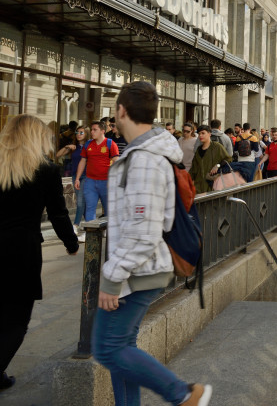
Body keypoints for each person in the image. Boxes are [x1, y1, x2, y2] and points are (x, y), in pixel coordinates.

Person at [91, 82, 212, 406]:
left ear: (121, 111)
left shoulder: (144, 159)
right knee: (122, 349)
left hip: (138, 269)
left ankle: (184, 394)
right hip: (140, 266)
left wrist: (112, 276)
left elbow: (144, 232)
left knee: (107, 348)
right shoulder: (144, 154)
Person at [0, 115, 79, 391]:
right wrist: (71, 243)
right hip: (22, 251)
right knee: (16, 319)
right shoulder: (46, 170)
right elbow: (58, 214)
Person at [74, 120, 119, 221]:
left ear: (102, 131)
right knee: (90, 208)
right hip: (90, 181)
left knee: (108, 210)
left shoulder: (110, 144)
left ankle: (108, 233)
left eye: (95, 130)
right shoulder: (88, 144)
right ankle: (91, 234)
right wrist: (77, 178)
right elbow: (83, 161)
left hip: (106, 181)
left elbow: (116, 161)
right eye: (91, 130)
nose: (92, 132)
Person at [56, 126, 88, 240]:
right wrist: (67, 147)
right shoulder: (74, 146)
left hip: (86, 176)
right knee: (83, 203)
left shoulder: (89, 146)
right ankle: (90, 225)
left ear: (86, 134)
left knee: (80, 202)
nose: (78, 134)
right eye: (77, 132)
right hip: (75, 176)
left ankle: (75, 225)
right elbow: (58, 155)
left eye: (81, 132)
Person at [189, 125, 232, 193]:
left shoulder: (217, 147)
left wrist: (217, 166)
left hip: (212, 185)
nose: (200, 136)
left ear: (209, 134)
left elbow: (228, 159)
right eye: (199, 134)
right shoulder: (198, 149)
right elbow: (194, 168)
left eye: (203, 133)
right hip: (198, 186)